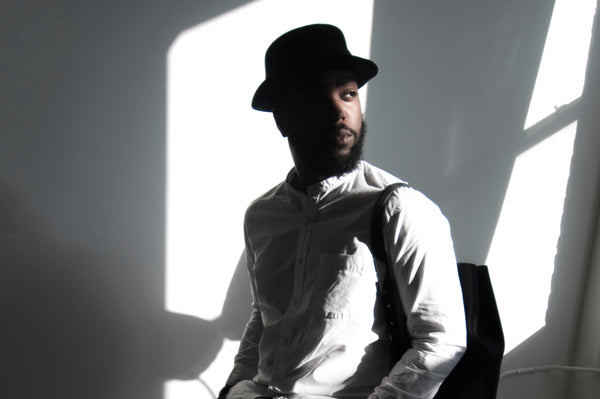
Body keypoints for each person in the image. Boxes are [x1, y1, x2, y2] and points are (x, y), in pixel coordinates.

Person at [220, 24, 466, 399]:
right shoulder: (261, 216)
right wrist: (235, 386)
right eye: (314, 98)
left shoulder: (399, 208)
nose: (339, 111)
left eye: (348, 93)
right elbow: (265, 315)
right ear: (282, 119)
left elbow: (440, 340)